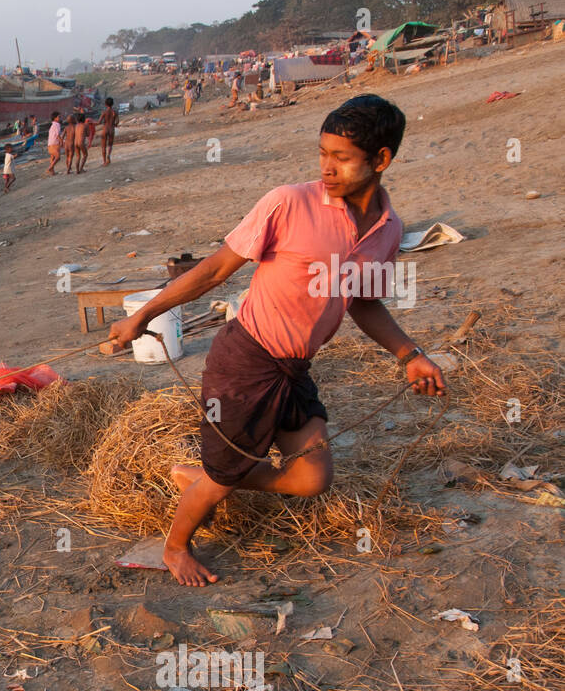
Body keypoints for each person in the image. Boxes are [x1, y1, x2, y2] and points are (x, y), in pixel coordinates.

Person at [107, 95, 445, 586]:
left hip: (294, 368)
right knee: (225, 476)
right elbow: (215, 270)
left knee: (312, 479)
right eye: (323, 154)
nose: (327, 168)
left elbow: (364, 302)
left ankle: (209, 478)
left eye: (342, 158)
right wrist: (142, 316)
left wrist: (410, 355)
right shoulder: (289, 202)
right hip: (244, 359)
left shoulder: (388, 230)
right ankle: (176, 546)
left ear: (382, 160)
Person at [99, 97, 118, 165]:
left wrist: (91, 122)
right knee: (110, 145)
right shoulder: (115, 112)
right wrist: (114, 124)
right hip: (111, 129)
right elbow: (117, 122)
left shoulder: (104, 112)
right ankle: (108, 156)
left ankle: (104, 162)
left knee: (103, 146)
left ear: (105, 104)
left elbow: (99, 122)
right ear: (112, 104)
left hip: (105, 129)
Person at [46, 110, 62, 175]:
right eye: (59, 117)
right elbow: (58, 135)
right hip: (54, 144)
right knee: (58, 157)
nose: (60, 118)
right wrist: (61, 142)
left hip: (50, 144)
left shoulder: (52, 125)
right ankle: (49, 168)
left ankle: (52, 171)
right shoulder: (57, 124)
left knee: (52, 158)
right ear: (55, 118)